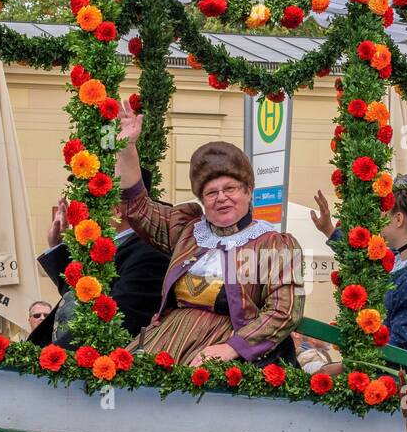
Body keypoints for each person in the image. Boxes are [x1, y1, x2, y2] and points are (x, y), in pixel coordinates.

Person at [114, 104, 304, 366]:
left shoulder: (274, 244)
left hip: (231, 345)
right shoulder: (187, 230)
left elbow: (284, 311)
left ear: (249, 191)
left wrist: (231, 348)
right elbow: (137, 207)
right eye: (211, 192)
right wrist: (127, 149)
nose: (222, 198)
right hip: (169, 338)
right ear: (202, 198)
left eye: (230, 188)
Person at [313, 175, 407, 361]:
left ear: (398, 219)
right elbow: (363, 259)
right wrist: (329, 230)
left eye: (382, 213)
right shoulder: (398, 258)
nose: (378, 218)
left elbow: (405, 343)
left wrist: (348, 366)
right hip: (389, 369)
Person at [29, 167, 170, 348]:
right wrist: (58, 246)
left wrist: (51, 357)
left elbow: (111, 323)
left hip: (91, 367)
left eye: (91, 200)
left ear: (117, 209)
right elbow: (76, 294)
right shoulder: (107, 247)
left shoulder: (149, 254)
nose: (82, 209)